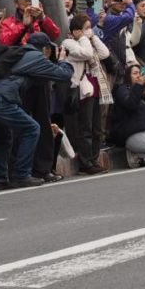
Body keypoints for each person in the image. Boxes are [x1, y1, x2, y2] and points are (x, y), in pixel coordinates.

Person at [0, 32, 73, 191]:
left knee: (4, 137)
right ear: (45, 49)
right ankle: (21, 175)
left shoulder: (14, 52)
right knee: (32, 128)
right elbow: (64, 75)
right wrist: (63, 61)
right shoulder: (36, 57)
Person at [61, 13, 111, 175]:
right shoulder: (68, 43)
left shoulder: (88, 42)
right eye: (86, 28)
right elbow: (86, 54)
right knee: (86, 127)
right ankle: (85, 162)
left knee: (97, 128)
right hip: (82, 89)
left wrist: (93, 37)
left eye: (90, 28)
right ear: (76, 31)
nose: (89, 31)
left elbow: (104, 53)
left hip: (95, 87)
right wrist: (83, 38)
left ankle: (94, 160)